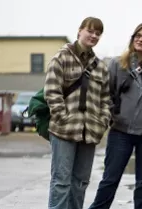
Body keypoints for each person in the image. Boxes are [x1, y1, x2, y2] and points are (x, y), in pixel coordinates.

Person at [88, 22, 142, 209]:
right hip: (121, 131)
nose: (140, 39)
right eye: (137, 35)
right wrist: (112, 113)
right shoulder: (118, 64)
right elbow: (105, 93)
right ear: (132, 39)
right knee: (110, 178)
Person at [44, 16, 110, 209]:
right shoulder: (62, 57)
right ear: (80, 31)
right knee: (61, 182)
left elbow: (106, 100)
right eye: (90, 31)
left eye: (98, 33)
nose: (94, 35)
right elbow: (52, 90)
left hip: (89, 133)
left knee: (80, 183)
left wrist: (102, 122)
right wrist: (62, 118)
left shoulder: (101, 67)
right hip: (64, 131)